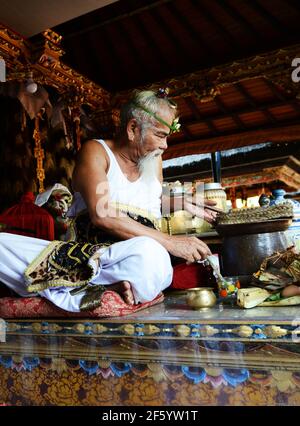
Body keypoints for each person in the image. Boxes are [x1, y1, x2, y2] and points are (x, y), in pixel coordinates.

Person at [0, 89, 216, 312]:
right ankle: (102, 284)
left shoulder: (154, 160)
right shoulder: (97, 152)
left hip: (134, 257)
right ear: (133, 129)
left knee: (151, 256)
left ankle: (92, 286)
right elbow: (102, 213)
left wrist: (180, 201)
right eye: (160, 135)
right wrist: (170, 242)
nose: (165, 146)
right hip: (89, 256)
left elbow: (146, 199)